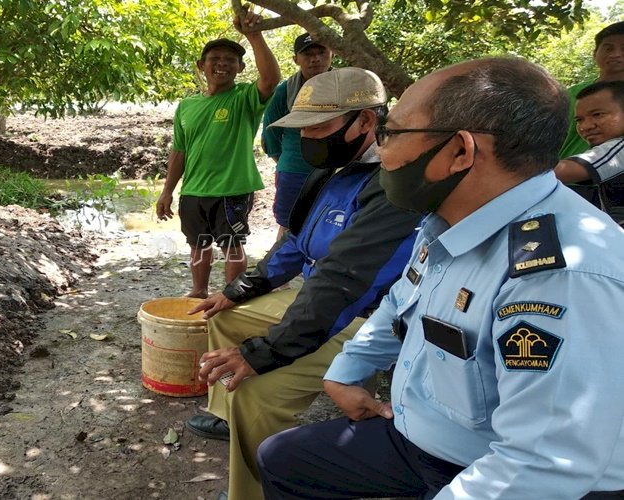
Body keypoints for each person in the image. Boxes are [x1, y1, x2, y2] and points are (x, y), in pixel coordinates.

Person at [257, 57, 624, 499]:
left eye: (391, 133)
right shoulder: (451, 220)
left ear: (460, 151)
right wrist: (347, 371)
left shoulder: (562, 273)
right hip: (423, 436)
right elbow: (400, 304)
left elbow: (542, 464)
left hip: (489, 467)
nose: (381, 148)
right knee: (283, 459)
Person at [185, 67, 422, 500]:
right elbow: (295, 244)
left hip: (364, 317)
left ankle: (254, 492)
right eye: (303, 130)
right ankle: (226, 419)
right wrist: (237, 289)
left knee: (256, 388)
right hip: (321, 300)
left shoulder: (392, 187)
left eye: (320, 128)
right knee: (226, 317)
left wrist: (263, 354)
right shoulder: (333, 172)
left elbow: (344, 282)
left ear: (366, 121)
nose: (308, 139)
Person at [155, 9, 280, 299]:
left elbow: (271, 79)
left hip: (231, 190)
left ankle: (231, 297)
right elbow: (179, 150)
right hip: (194, 190)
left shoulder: (244, 98)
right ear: (202, 65)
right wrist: (167, 191)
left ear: (240, 68)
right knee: (198, 245)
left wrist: (254, 35)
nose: (222, 64)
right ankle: (198, 291)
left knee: (232, 245)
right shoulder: (187, 106)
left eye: (230, 60)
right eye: (215, 59)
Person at [261, 33, 333, 241]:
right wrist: (283, 158)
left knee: (331, 224)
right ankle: (276, 271)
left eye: (321, 52)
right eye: (308, 54)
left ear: (332, 54)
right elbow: (271, 129)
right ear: (296, 60)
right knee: (288, 225)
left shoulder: (344, 86)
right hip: (294, 170)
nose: (315, 59)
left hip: (336, 170)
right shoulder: (286, 90)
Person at [555, 80, 624, 225]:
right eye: (579, 120)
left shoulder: (619, 148)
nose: (585, 126)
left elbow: (562, 172)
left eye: (598, 114)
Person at [558, 21, 624, 158]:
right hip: (563, 174)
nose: (616, 54)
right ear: (595, 54)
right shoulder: (571, 94)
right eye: (608, 48)